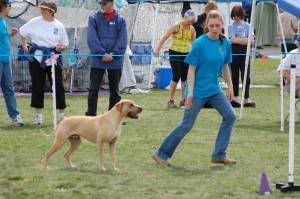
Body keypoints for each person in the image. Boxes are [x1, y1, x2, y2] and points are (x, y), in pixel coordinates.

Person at [152, 10, 237, 166]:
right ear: (206, 26)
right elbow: (191, 70)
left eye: (218, 25)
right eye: (211, 25)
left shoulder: (226, 43)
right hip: (196, 91)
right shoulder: (199, 43)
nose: (215, 28)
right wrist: (189, 94)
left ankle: (219, 154)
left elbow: (226, 65)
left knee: (230, 116)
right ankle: (161, 154)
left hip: (215, 89)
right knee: (186, 125)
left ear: (222, 25)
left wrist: (231, 86)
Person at [19, 0, 69, 125]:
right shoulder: (35, 21)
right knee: (37, 85)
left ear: (51, 11)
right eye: (41, 9)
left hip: (53, 57)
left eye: (45, 9)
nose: (42, 11)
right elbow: (22, 32)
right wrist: (24, 45)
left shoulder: (59, 25)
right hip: (37, 58)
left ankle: (62, 115)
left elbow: (65, 43)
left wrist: (60, 48)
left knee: (57, 85)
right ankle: (38, 116)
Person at [85, 0, 127, 116]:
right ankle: (90, 116)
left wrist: (113, 54)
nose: (102, 6)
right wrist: (101, 54)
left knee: (115, 91)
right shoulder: (93, 18)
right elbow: (91, 38)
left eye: (104, 3)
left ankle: (114, 116)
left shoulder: (121, 20)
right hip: (98, 60)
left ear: (112, 3)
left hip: (116, 60)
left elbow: (123, 40)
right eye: (100, 3)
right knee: (93, 90)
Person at [154, 9, 196, 108]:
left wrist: (195, 55)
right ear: (184, 18)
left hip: (186, 54)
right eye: (189, 20)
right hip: (174, 53)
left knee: (184, 77)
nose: (190, 23)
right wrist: (157, 50)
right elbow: (165, 37)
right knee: (176, 76)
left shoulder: (192, 29)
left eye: (192, 21)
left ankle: (183, 99)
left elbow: (194, 44)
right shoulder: (176, 26)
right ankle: (170, 100)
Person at [0, 0, 23, 127]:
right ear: (3, 6)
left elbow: (2, 38)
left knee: (9, 89)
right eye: (9, 5)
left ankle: (15, 117)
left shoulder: (3, 20)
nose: (10, 8)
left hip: (5, 60)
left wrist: (10, 34)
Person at [228, 5, 256, 108]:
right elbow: (232, 40)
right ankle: (235, 96)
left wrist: (241, 40)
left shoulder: (248, 26)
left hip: (245, 53)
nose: (236, 18)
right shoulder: (230, 27)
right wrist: (245, 40)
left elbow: (252, 40)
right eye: (234, 16)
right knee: (234, 76)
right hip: (234, 53)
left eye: (238, 15)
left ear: (241, 15)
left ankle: (246, 97)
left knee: (246, 76)